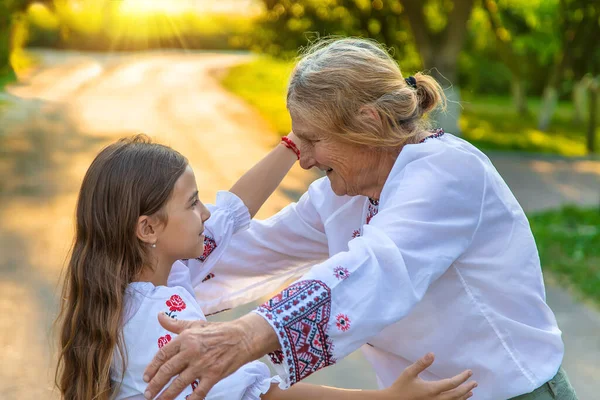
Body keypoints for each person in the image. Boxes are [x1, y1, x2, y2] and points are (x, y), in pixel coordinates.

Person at [142, 38, 578, 400]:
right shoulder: (340, 196)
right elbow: (247, 251)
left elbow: (375, 269)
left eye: (312, 140)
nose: (306, 160)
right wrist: (135, 264)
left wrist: (246, 337)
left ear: (368, 123)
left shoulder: (448, 172)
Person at [54, 135, 477, 400]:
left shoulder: (142, 283)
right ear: (148, 228)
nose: (205, 212)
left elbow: (233, 211)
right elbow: (267, 398)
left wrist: (294, 143)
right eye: (192, 202)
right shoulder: (164, 318)